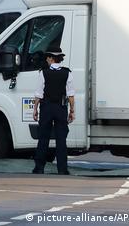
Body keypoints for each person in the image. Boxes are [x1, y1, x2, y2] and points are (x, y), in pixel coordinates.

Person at [32, 47, 74, 175]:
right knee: (61, 140)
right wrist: (72, 111)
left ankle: (39, 168)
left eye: (47, 57)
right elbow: (70, 95)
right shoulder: (68, 73)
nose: (46, 59)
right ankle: (62, 169)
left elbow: (39, 94)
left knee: (43, 138)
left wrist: (35, 109)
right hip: (61, 108)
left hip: (46, 108)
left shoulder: (43, 73)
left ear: (51, 58)